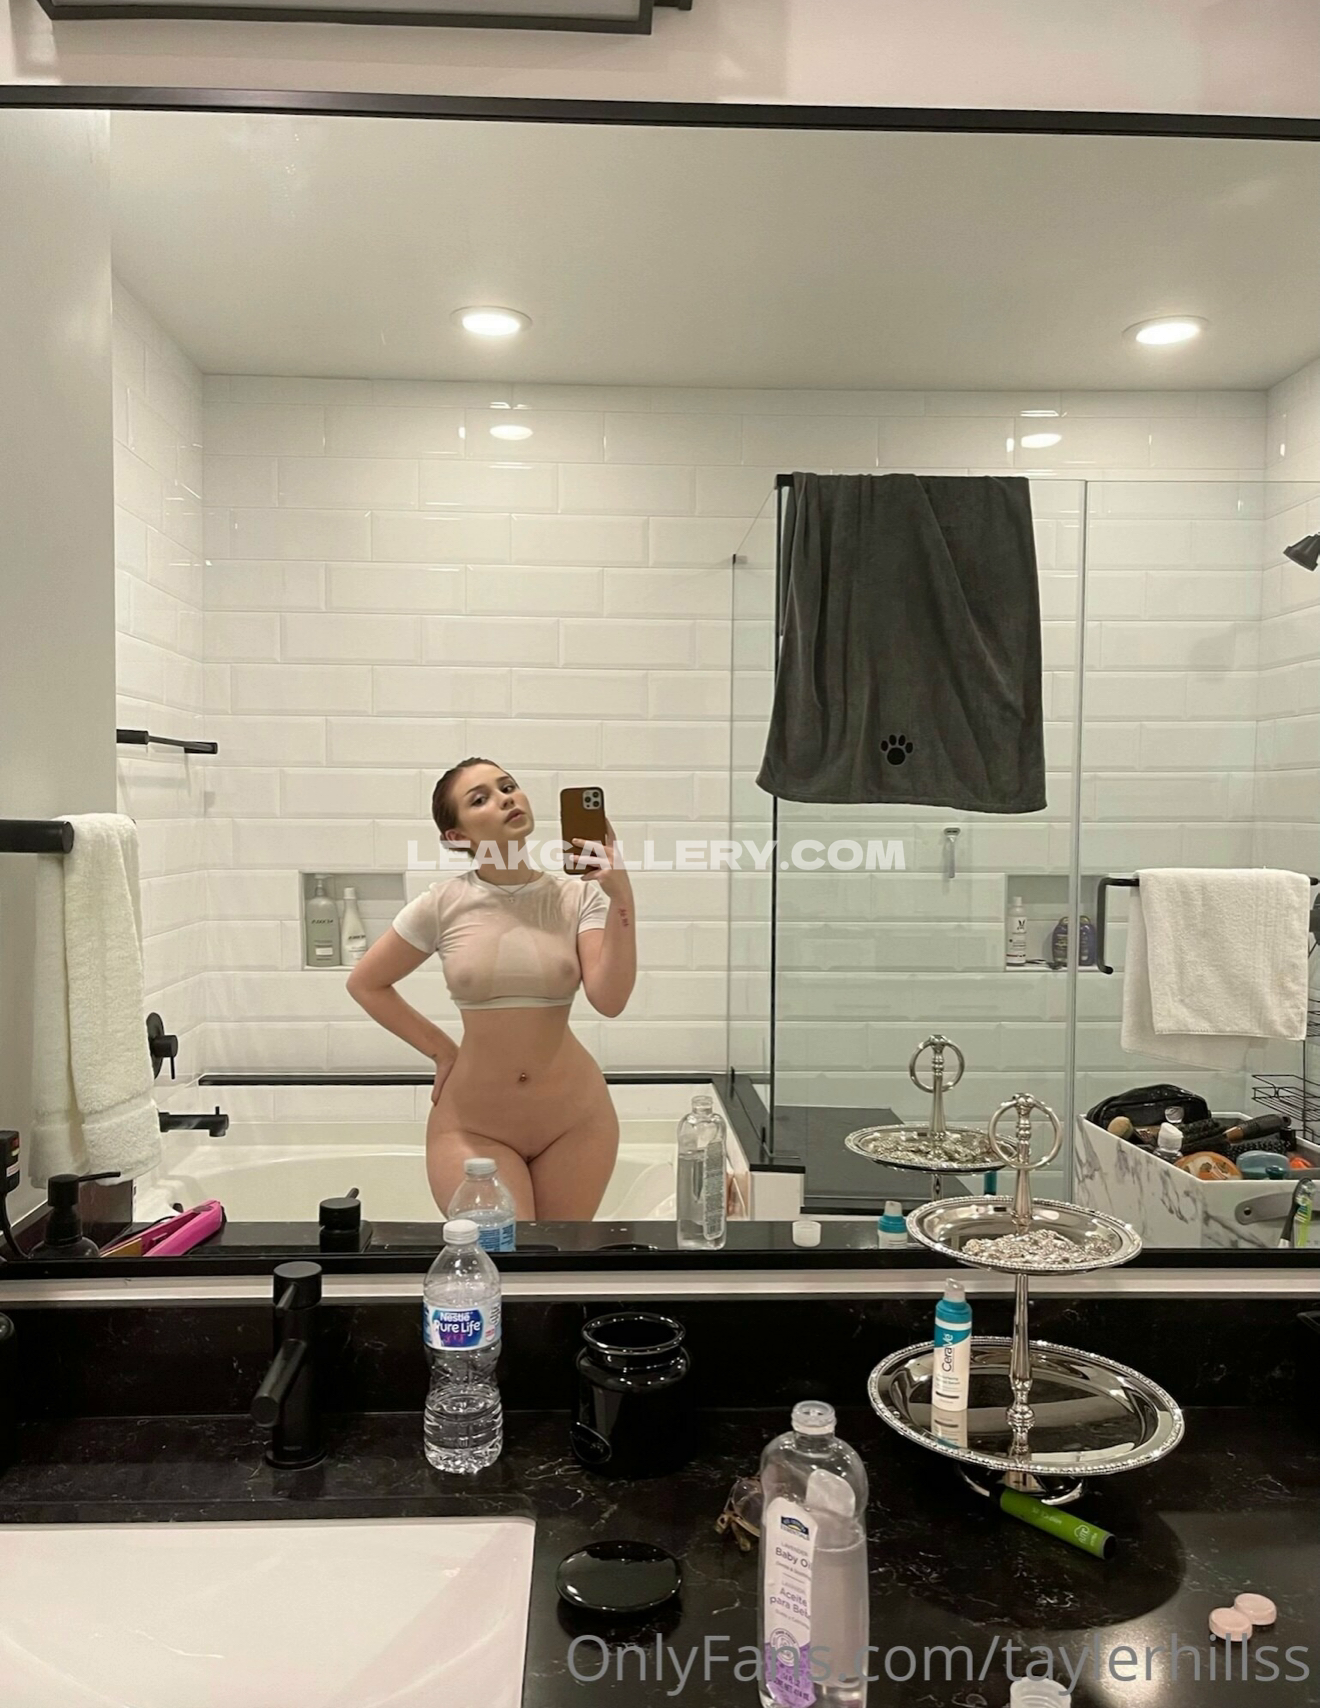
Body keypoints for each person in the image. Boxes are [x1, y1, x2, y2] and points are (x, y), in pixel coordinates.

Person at [346, 757, 636, 1222]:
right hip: (474, 1127)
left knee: (558, 1262)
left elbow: (610, 999)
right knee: (500, 1257)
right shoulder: (441, 904)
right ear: (456, 836)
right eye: (480, 798)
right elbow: (366, 983)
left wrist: (622, 896)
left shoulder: (576, 897)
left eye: (508, 786)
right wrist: (442, 1051)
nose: (505, 798)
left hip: (576, 1123)